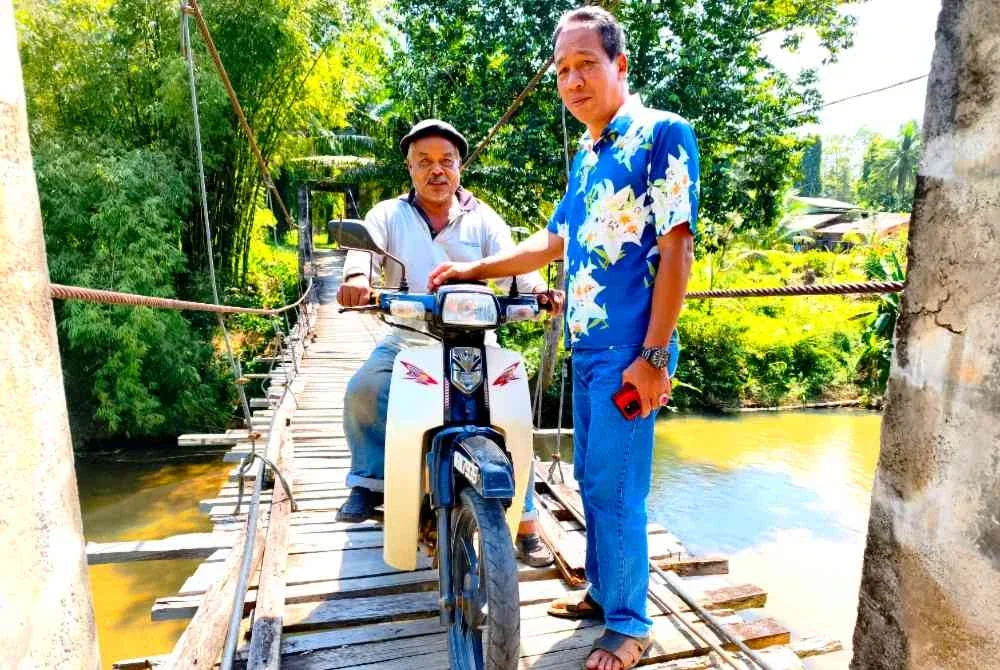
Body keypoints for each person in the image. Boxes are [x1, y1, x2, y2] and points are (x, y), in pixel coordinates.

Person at [428, 7, 699, 670]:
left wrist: (655, 357)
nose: (574, 80)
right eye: (564, 70)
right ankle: (604, 597)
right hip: (589, 350)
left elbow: (677, 246)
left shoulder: (662, 134)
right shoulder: (587, 155)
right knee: (590, 477)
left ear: (620, 66)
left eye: (587, 65)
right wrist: (472, 267)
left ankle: (633, 626)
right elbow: (552, 242)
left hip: (634, 352)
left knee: (617, 488)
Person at [335, 118, 559, 568]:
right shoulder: (388, 214)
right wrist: (356, 280)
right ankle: (369, 479)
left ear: (460, 167)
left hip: (478, 344)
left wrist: (539, 293)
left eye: (446, 161)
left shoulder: (485, 218)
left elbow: (518, 267)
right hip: (408, 340)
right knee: (365, 389)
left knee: (512, 416)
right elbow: (363, 254)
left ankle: (527, 519)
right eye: (424, 162)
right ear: (410, 168)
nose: (436, 171)